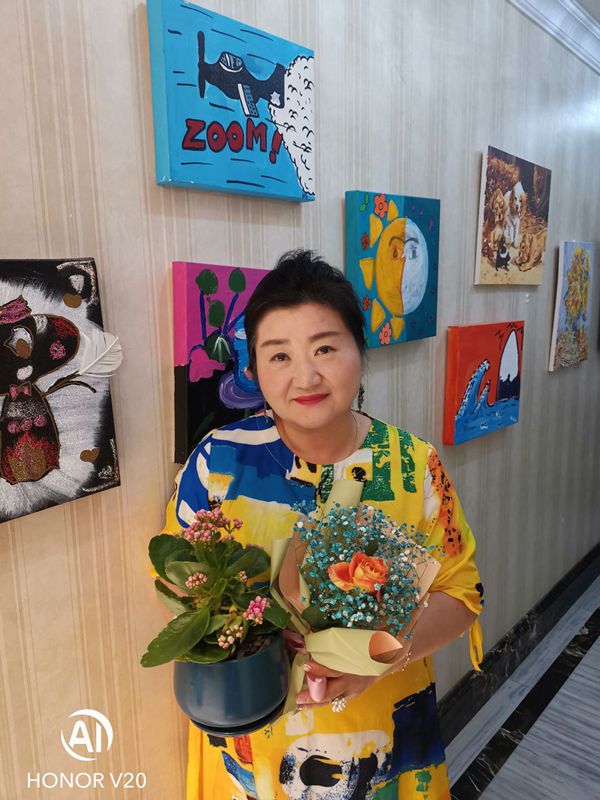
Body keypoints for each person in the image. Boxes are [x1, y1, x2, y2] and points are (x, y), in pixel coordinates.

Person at [161, 250, 484, 800]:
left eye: (325, 348)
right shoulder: (219, 462)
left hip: (380, 734)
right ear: (254, 369)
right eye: (278, 355)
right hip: (255, 749)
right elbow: (178, 587)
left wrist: (379, 660)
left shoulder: (412, 465)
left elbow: (462, 594)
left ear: (360, 350)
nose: (305, 376)